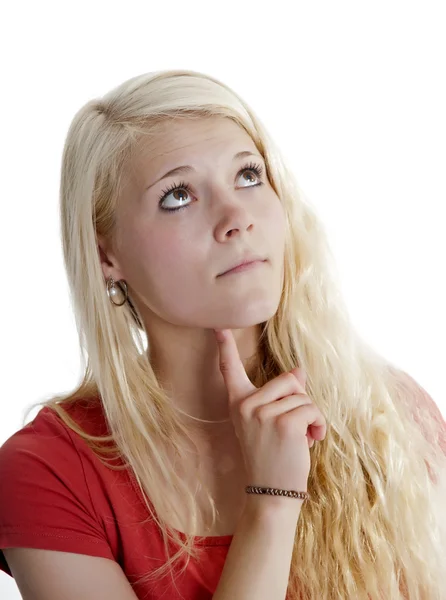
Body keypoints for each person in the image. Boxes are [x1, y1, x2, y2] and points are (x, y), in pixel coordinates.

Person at [0, 69, 445, 600]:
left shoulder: (390, 415)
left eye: (249, 176)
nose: (236, 216)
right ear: (106, 256)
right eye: (178, 195)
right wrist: (272, 503)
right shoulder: (49, 473)